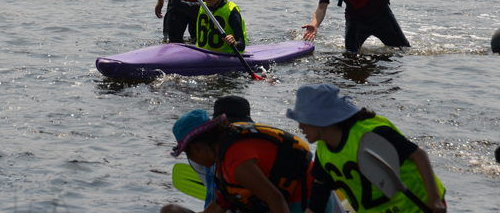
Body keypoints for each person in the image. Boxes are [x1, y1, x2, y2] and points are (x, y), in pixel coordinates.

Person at [286, 83, 447, 213]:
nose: (300, 126)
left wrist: (434, 200)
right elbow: (317, 204)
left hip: (419, 205)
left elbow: (418, 155)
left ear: (321, 118)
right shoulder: (323, 151)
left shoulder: (369, 132)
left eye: (303, 119)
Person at [165, 108, 331, 213]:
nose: (193, 160)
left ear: (195, 148)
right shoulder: (224, 155)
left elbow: (276, 200)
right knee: (169, 211)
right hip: (289, 199)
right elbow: (220, 205)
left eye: (188, 154)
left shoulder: (236, 161)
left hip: (307, 203)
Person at [161, 95, 254, 213]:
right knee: (169, 210)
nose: (233, 133)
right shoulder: (203, 156)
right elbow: (220, 201)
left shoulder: (241, 158)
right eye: (229, 128)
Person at [172, 0, 246, 53]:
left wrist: (234, 43)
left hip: (226, 58)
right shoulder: (200, 7)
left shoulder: (231, 11)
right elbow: (175, 4)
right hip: (203, 56)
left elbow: (241, 45)